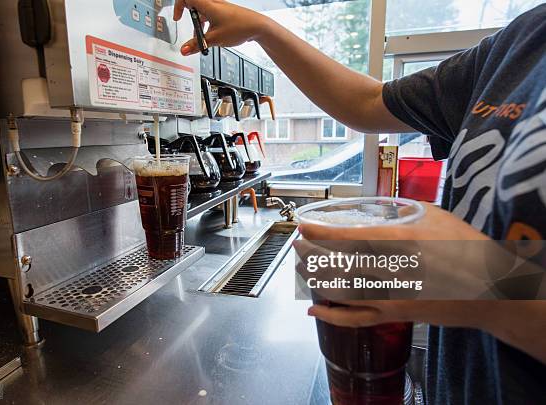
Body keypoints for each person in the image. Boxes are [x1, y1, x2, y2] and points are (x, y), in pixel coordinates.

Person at [174, 1, 546, 404]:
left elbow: (490, 285)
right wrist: (264, 30)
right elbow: (368, 102)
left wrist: (486, 284)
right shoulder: (523, 39)